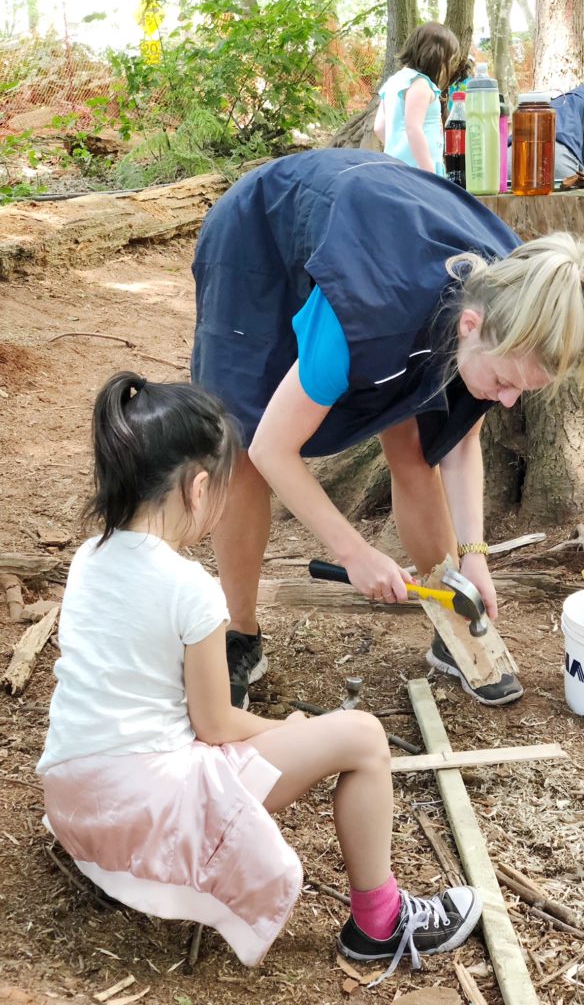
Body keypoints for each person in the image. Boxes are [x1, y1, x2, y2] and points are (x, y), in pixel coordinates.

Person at [36, 372, 483, 983]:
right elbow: (214, 723)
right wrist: (288, 725)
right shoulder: (190, 588)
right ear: (197, 489)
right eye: (221, 488)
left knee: (285, 740)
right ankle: (380, 924)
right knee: (363, 738)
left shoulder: (90, 556)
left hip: (74, 799)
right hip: (144, 810)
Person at [191, 147, 584, 709]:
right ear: (470, 326)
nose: (508, 403)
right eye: (506, 381)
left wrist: (474, 558)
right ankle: (240, 634)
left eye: (522, 390)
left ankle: (449, 612)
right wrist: (354, 553)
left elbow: (458, 445)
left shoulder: (517, 296)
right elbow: (274, 448)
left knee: (418, 445)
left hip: (384, 240)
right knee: (243, 441)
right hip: (260, 241)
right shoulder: (366, 310)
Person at [374, 22, 459, 174]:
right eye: (449, 60)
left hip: (398, 167)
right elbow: (413, 127)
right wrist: (429, 171)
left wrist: (399, 150)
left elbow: (379, 127)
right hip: (421, 169)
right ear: (436, 56)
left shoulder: (393, 81)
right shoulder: (420, 84)